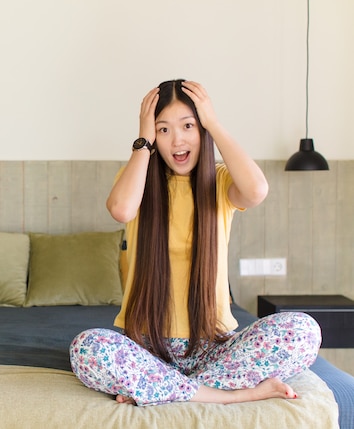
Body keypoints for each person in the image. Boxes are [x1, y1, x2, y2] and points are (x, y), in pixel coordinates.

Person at [69, 79, 321, 406]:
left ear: (201, 129)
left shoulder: (220, 182)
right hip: (147, 347)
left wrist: (213, 122)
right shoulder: (136, 178)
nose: (177, 140)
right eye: (163, 129)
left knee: (304, 331)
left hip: (213, 346)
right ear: (152, 136)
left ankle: (162, 390)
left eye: (188, 125)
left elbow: (257, 191)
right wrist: (142, 140)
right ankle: (228, 396)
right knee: (87, 348)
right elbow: (121, 210)